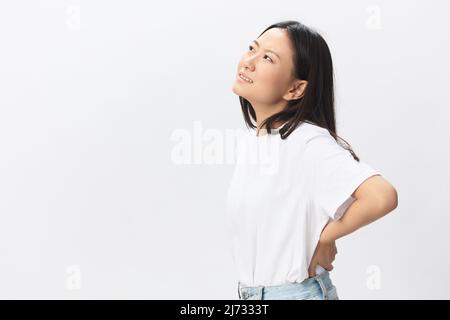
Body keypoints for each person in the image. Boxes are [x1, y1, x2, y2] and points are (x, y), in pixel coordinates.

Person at [226, 20, 398, 300]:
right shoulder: (255, 142)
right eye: (252, 49)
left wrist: (325, 236)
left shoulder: (307, 142)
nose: (249, 62)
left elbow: (382, 196)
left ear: (295, 89)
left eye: (268, 58)